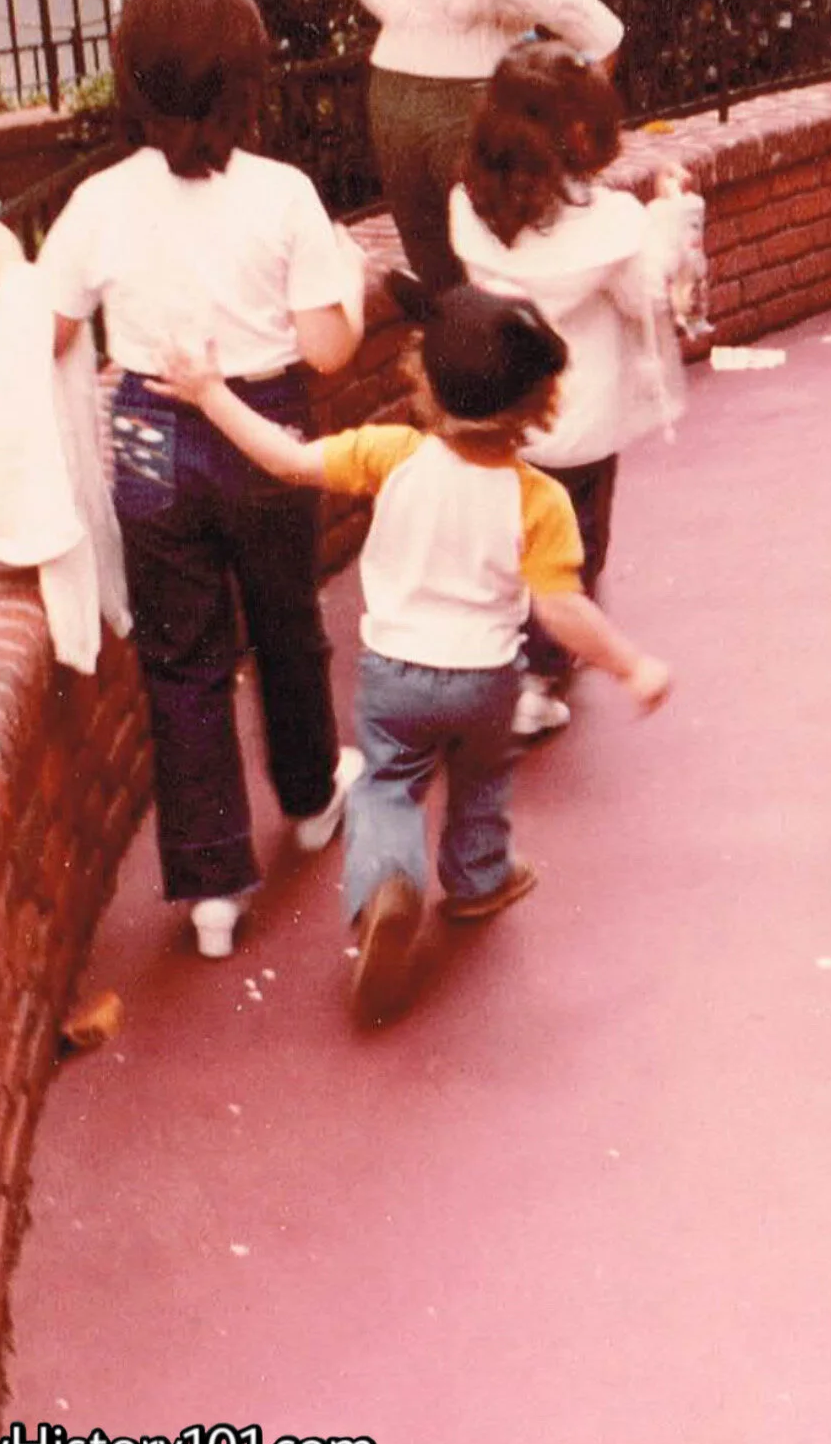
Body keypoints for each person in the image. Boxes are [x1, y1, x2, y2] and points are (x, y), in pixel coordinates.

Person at [0, 0, 367, 960]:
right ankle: (309, 798)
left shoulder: (99, 202)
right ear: (249, 80)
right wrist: (339, 278)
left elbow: (43, 330)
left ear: (132, 82)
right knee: (285, 622)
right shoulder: (285, 196)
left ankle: (213, 885)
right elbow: (328, 349)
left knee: (181, 662)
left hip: (148, 439)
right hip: (260, 427)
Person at [147, 278, 672, 1026]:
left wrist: (209, 395)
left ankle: (388, 889)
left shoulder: (390, 454)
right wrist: (631, 664)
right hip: (486, 680)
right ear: (541, 406)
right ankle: (478, 876)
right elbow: (562, 608)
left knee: (387, 788)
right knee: (482, 780)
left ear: (424, 380)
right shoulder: (539, 500)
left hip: (396, 675)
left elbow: (287, 462)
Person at [450, 38, 688, 737]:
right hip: (577, 414)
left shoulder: (472, 207)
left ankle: (512, 649)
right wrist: (669, 217)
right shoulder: (610, 226)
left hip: (503, 403)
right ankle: (542, 671)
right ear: (577, 133)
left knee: (512, 534)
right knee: (573, 544)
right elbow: (644, 291)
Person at [346, 0, 624, 293]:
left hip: (392, 90)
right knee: (523, 281)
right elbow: (586, 21)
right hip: (473, 96)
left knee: (446, 289)